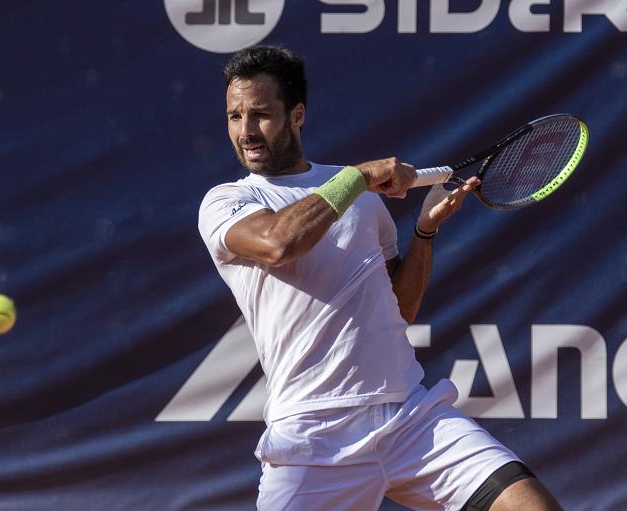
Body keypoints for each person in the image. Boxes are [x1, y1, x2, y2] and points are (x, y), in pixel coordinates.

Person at [198, 46, 563, 511]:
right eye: (235, 116)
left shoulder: (364, 199)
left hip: (411, 418)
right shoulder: (226, 201)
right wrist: (359, 176)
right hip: (313, 436)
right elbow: (278, 244)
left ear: (297, 115)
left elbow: (400, 310)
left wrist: (424, 230)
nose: (246, 131)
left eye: (261, 115)